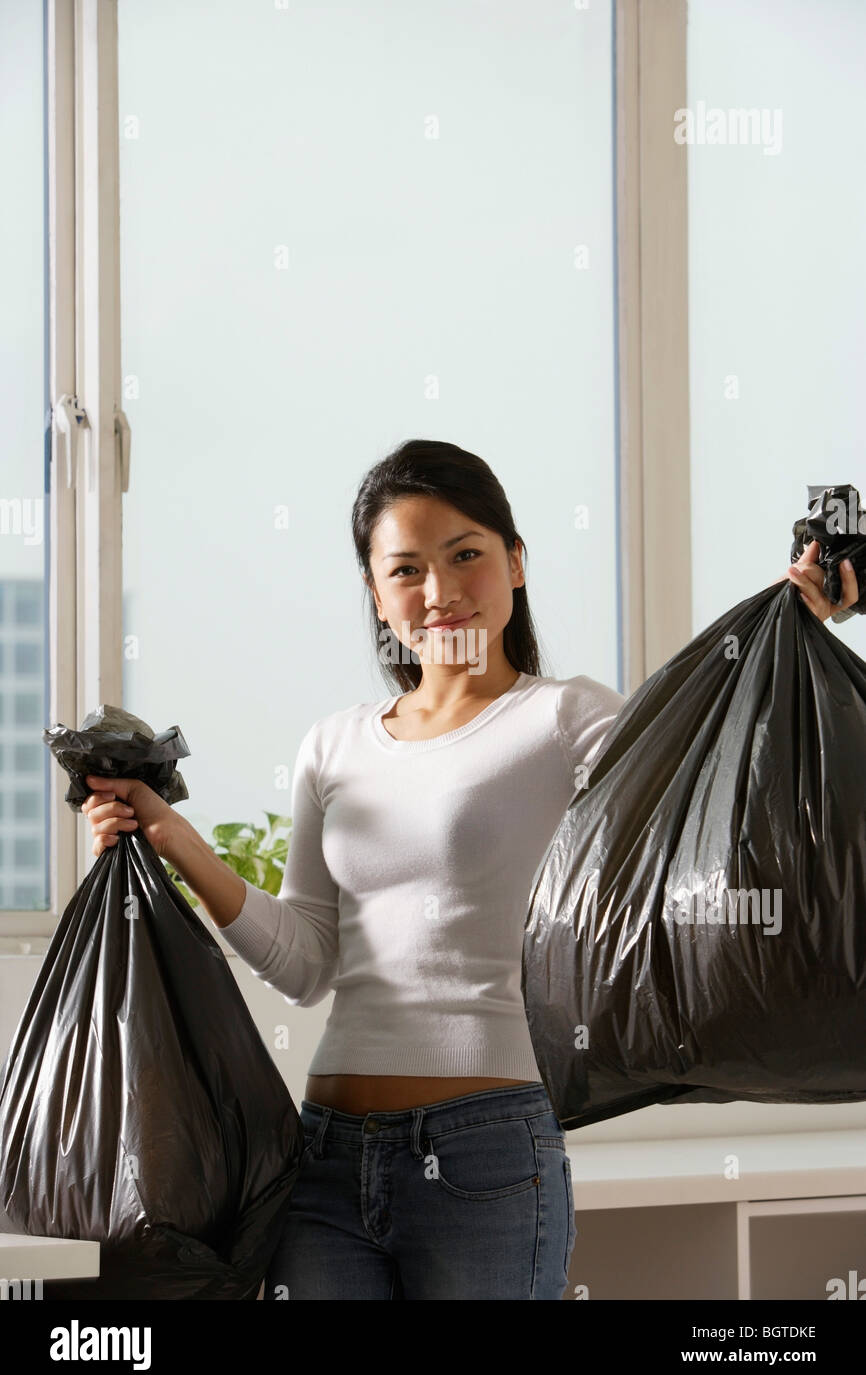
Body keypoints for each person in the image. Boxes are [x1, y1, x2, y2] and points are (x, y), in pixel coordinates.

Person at [82, 442, 859, 1300]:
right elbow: (306, 963)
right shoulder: (333, 745)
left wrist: (795, 620)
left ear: (516, 561)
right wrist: (172, 838)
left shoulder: (564, 718)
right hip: (327, 1156)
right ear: (376, 594)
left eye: (466, 556)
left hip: (486, 1150)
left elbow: (705, 791)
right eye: (406, 569)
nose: (441, 591)